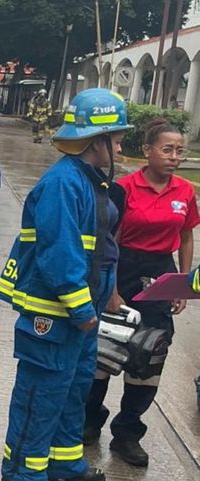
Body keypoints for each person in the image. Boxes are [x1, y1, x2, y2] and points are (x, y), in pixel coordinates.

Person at [0, 88, 134, 481]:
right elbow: (61, 254)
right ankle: (23, 472)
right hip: (54, 318)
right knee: (39, 399)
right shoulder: (63, 184)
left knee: (72, 393)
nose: (122, 146)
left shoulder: (91, 182)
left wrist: (103, 298)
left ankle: (66, 465)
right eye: (117, 138)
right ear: (96, 140)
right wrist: (82, 308)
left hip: (78, 318)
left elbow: (101, 250)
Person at [84, 118, 199, 468]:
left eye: (180, 150)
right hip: (123, 267)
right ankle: (89, 420)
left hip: (160, 273)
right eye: (167, 149)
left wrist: (182, 283)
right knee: (105, 352)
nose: (174, 156)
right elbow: (110, 240)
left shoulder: (185, 191)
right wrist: (111, 289)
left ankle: (128, 434)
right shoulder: (124, 188)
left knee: (149, 355)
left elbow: (185, 237)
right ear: (147, 151)